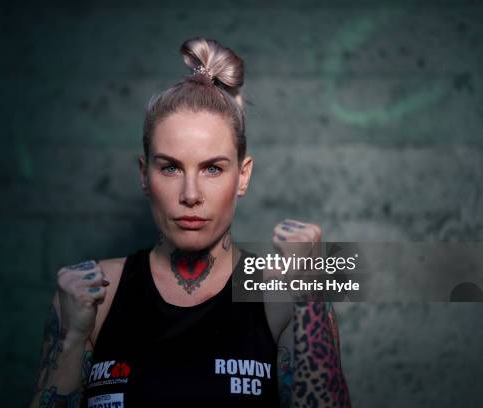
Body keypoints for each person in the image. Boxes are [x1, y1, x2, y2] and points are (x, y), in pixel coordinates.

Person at [28, 37, 351, 408]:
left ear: (243, 176)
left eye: (213, 168)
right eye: (170, 167)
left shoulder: (281, 296)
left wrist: (309, 300)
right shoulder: (94, 294)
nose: (191, 194)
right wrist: (72, 340)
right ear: (144, 175)